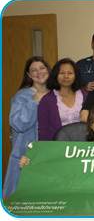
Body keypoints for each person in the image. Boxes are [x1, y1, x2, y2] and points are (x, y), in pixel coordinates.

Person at [3, 57, 51, 198]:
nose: (39, 72)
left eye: (42, 68)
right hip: (26, 155)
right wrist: (34, 101)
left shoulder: (55, 94)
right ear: (29, 75)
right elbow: (18, 124)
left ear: (48, 70)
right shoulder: (22, 96)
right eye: (34, 70)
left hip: (49, 154)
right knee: (23, 200)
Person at [38, 58, 87, 140]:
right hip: (58, 147)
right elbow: (44, 131)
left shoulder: (85, 96)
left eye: (70, 73)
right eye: (62, 73)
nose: (66, 76)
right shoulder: (46, 101)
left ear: (76, 75)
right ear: (56, 75)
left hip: (84, 146)